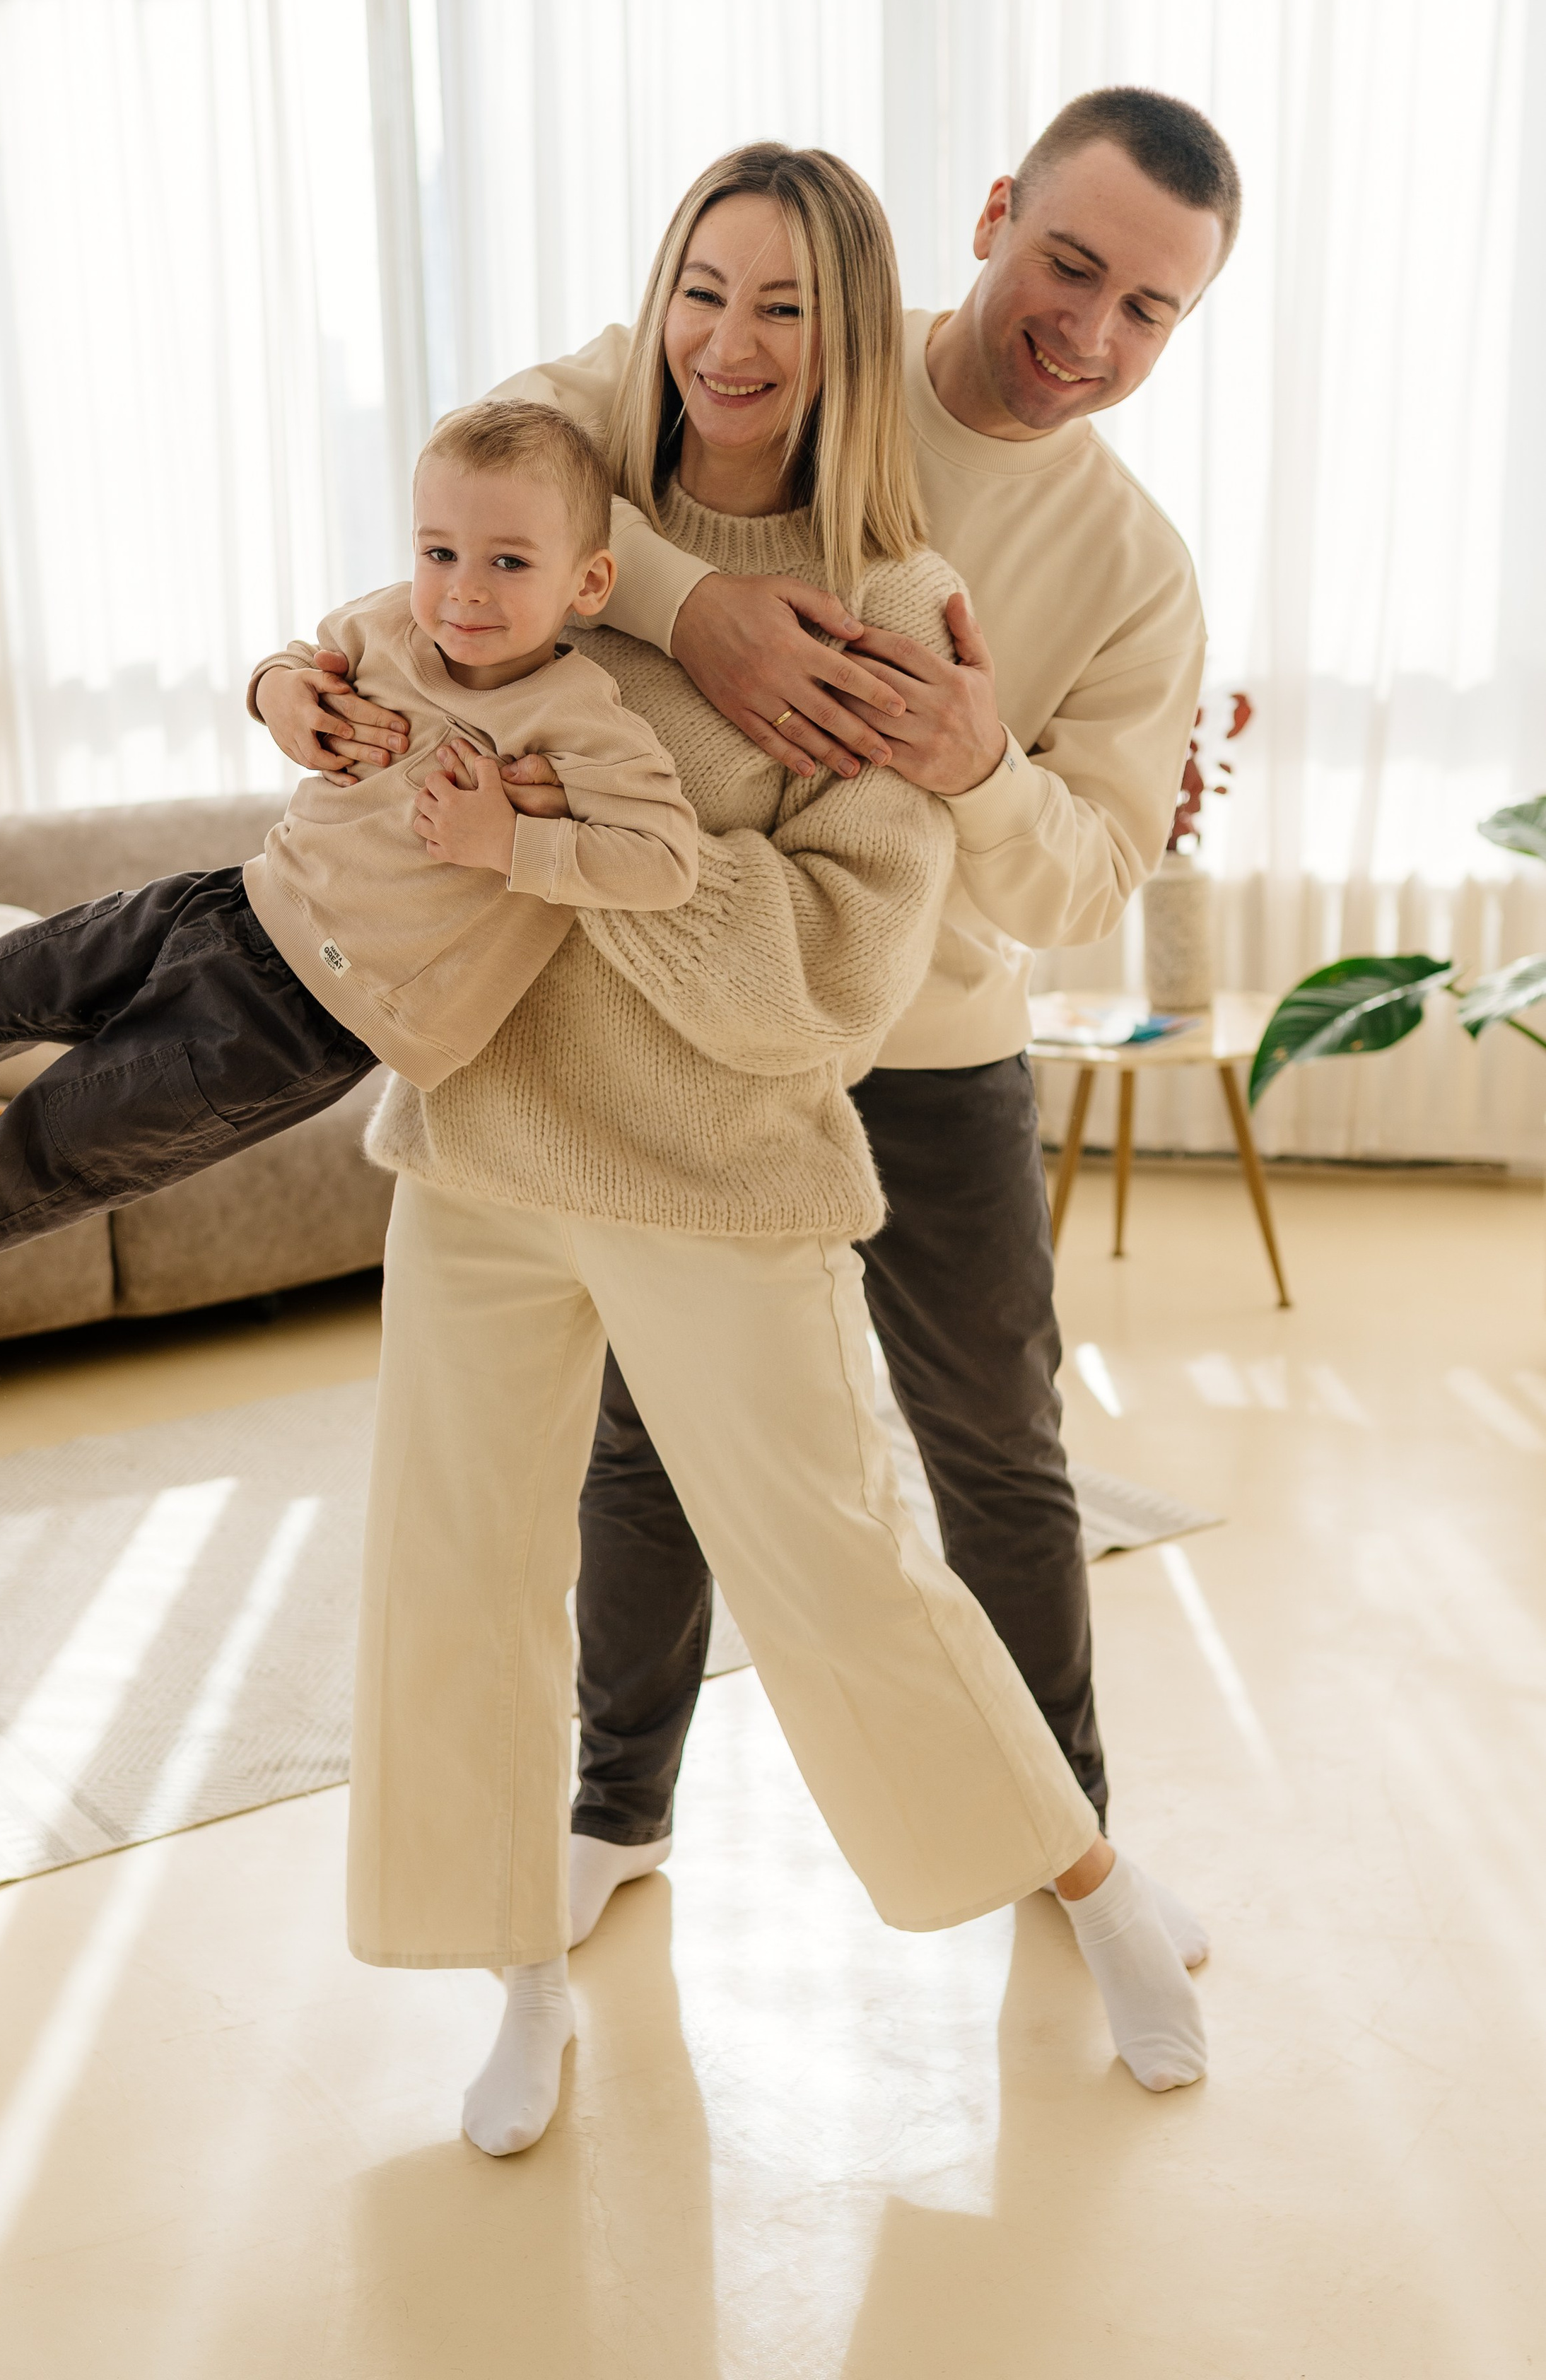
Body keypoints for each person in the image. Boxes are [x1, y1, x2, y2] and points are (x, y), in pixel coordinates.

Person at [327, 143, 1205, 2167]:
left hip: (739, 1138)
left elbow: (829, 971)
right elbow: (441, 570)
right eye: (701, 297)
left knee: (859, 1547)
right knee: (455, 1571)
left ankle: (1090, 1881)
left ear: (850, 343)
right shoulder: (582, 500)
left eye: (785, 309)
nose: (732, 343)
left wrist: (571, 846)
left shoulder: (922, 607)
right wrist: (338, 678)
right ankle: (530, 1959)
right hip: (487, 1122)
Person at [0, 401, 698, 1314]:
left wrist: (507, 841)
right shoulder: (388, 627)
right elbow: (295, 660)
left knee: (39, 1152)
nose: (465, 589)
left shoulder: (582, 724)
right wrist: (278, 695)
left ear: (589, 584)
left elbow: (664, 863)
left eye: (509, 561)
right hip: (218, 906)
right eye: (438, 552)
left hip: (298, 1026)